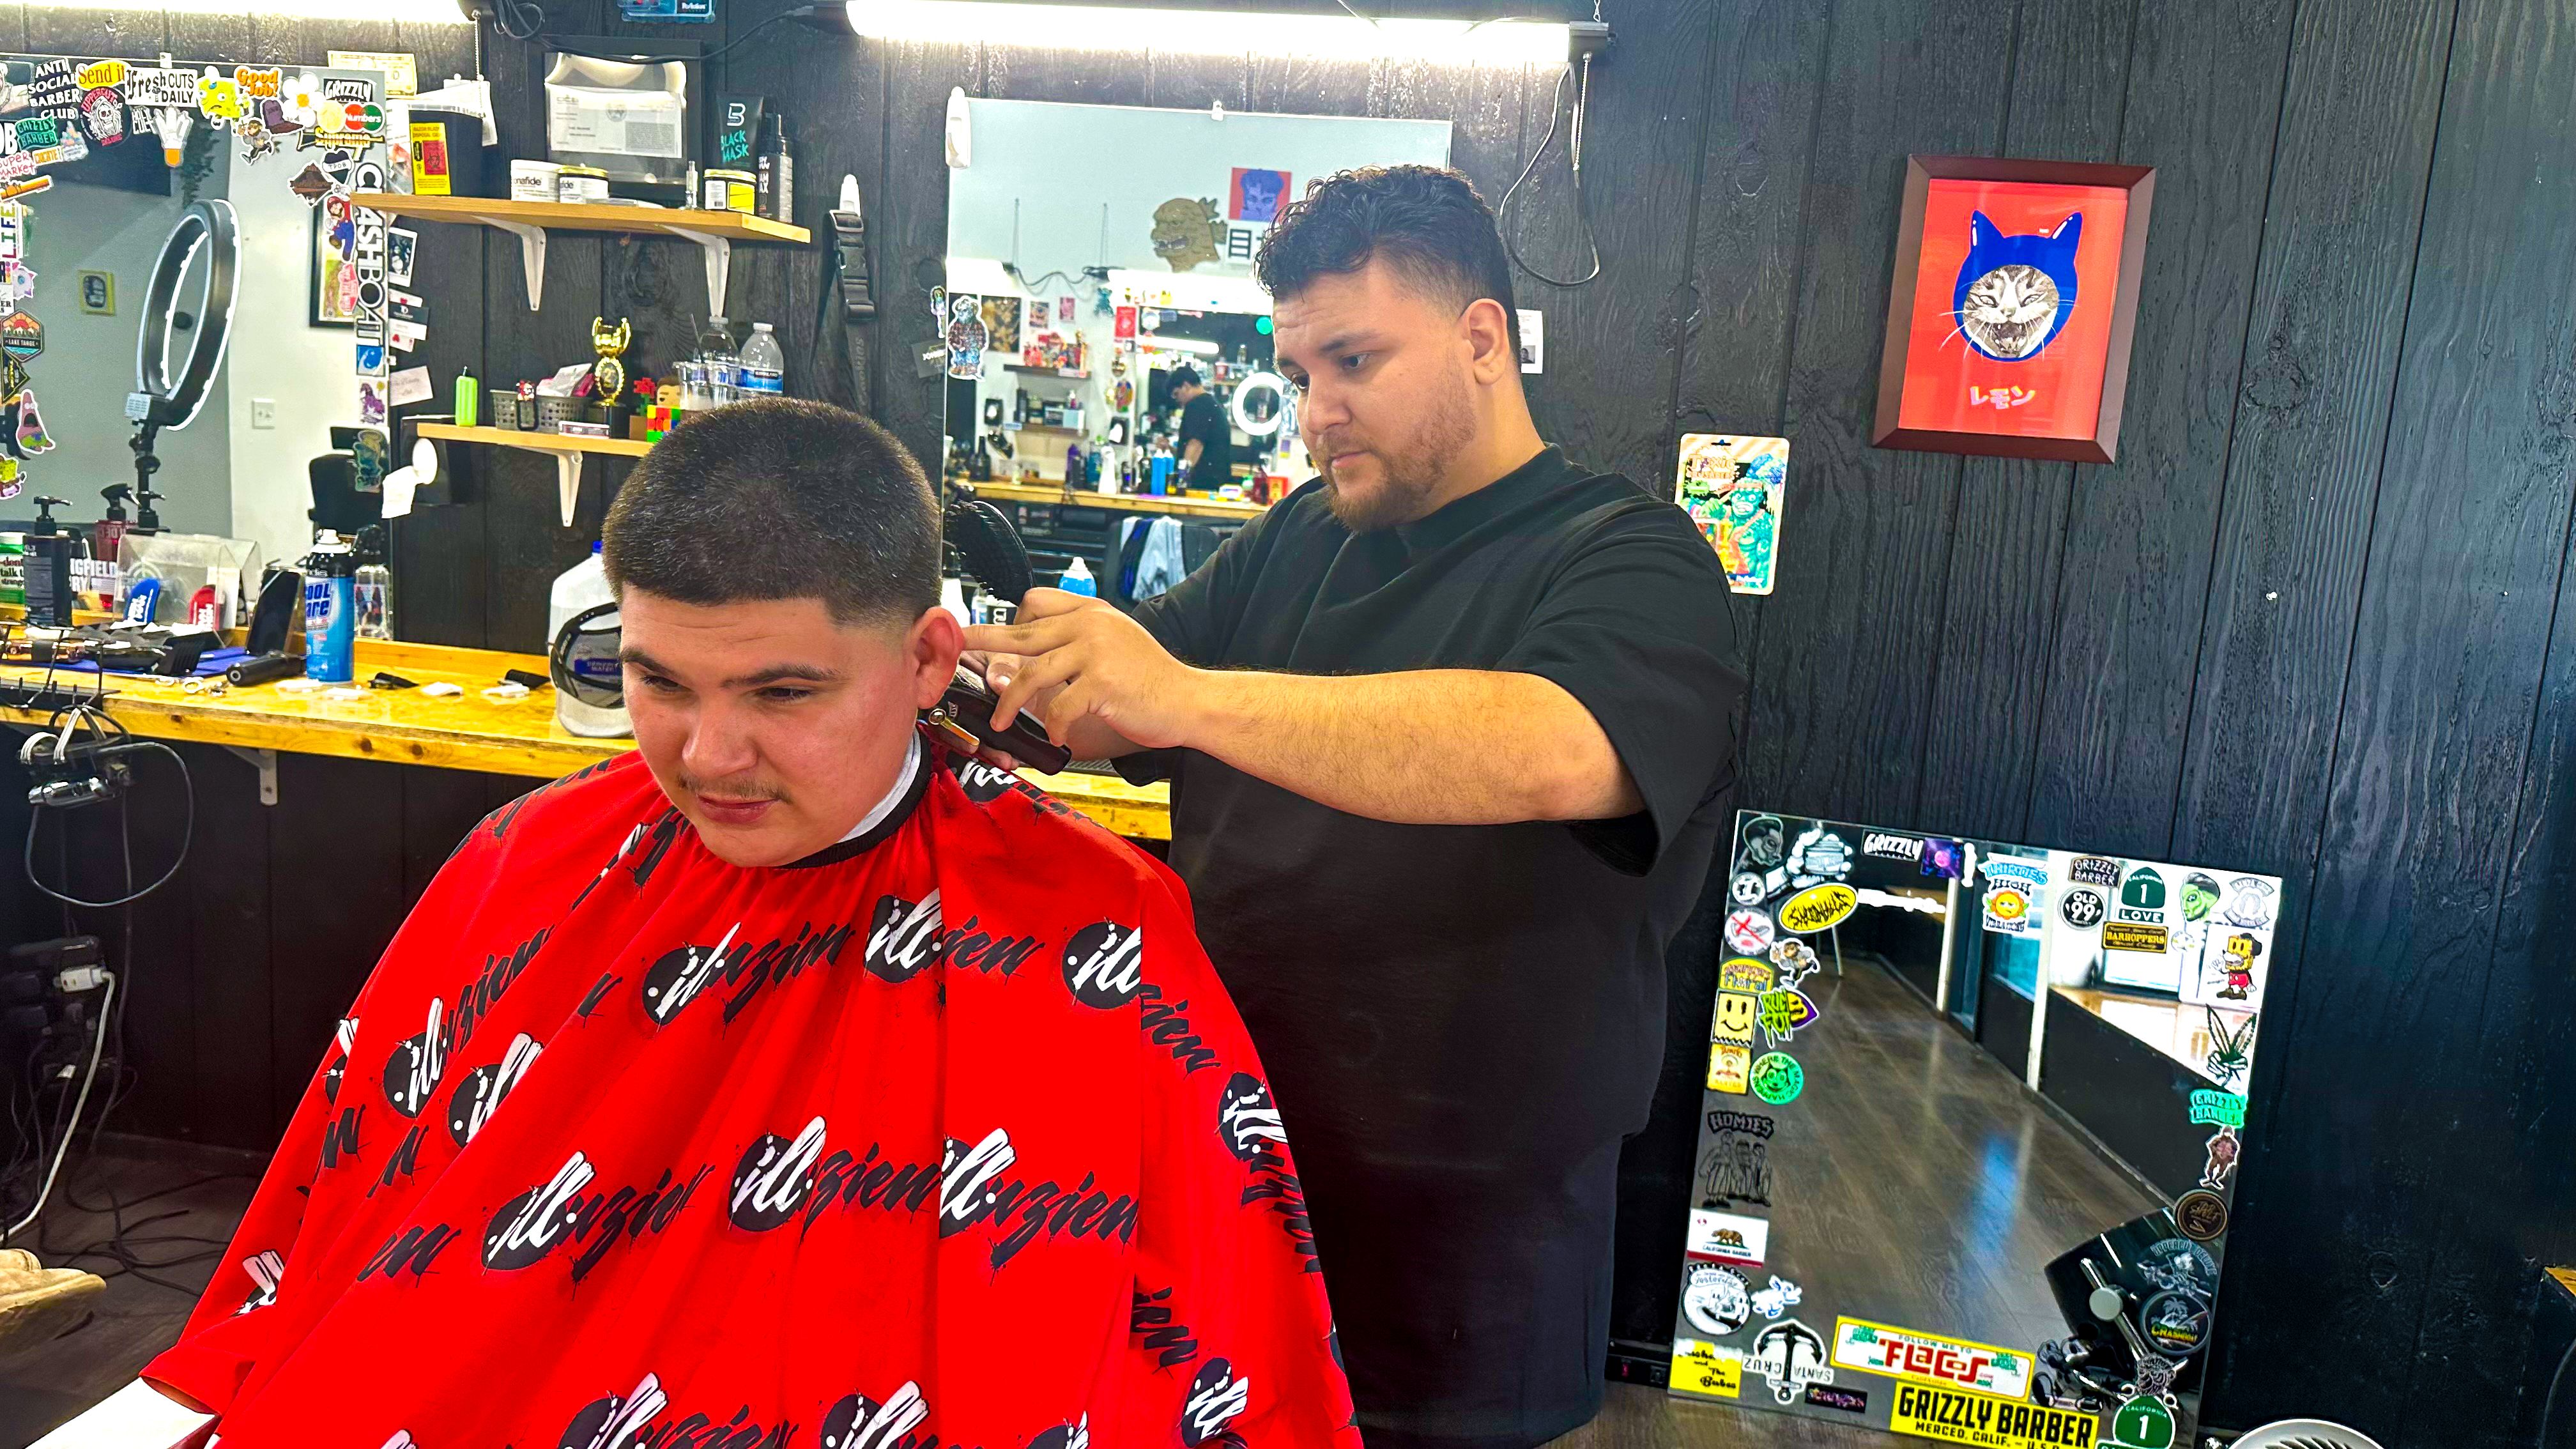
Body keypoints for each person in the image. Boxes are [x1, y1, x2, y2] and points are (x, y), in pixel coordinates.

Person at [50, 401, 1358, 1449]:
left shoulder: (1089, 928)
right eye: (658, 682)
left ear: (927, 663)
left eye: (782, 690)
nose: (707, 754)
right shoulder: (532, 861)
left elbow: (1208, 1340)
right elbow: (348, 1242)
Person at [965, 166, 1744, 1449]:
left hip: (1471, 1225)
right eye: (1303, 369)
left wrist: (1194, 701)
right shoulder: (1301, 541)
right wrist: (963, 673)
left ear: (1481, 338)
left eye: (1354, 362)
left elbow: (1557, 749)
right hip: (1238, 1159)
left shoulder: (1630, 555)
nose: (1313, 412)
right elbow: (1117, 704)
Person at [1170, 365, 1236, 489]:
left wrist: (1181, 481)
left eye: (1176, 394)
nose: (1177, 400)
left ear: (1186, 386)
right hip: (1215, 482)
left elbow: (1196, 444)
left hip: (1203, 483)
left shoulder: (1197, 405)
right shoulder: (1211, 403)